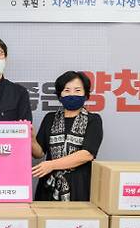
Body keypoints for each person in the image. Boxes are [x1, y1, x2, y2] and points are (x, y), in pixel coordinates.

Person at [31, 71, 103, 201]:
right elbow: (39, 153)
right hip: (49, 185)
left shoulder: (93, 120)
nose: (72, 94)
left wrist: (52, 165)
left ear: (86, 94)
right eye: (67, 90)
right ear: (60, 95)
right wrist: (30, 139)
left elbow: (87, 154)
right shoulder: (50, 118)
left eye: (77, 90)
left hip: (79, 185)